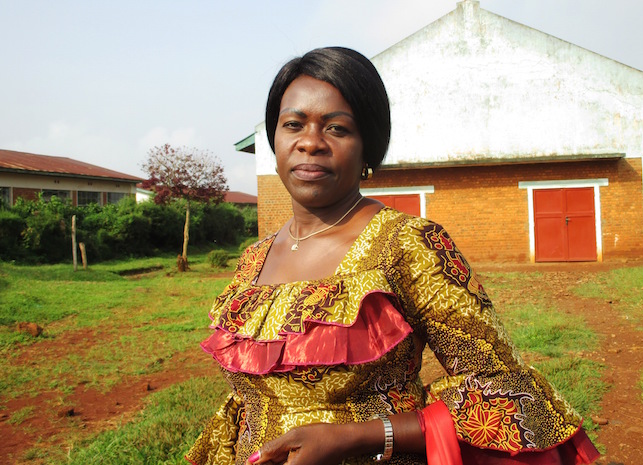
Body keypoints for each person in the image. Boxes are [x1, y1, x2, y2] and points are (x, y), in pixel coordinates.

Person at [185, 47, 600, 465]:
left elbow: (504, 391)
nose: (310, 142)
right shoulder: (253, 259)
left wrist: (356, 437)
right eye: (293, 124)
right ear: (275, 141)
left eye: (338, 129)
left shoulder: (409, 245)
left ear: (369, 149)